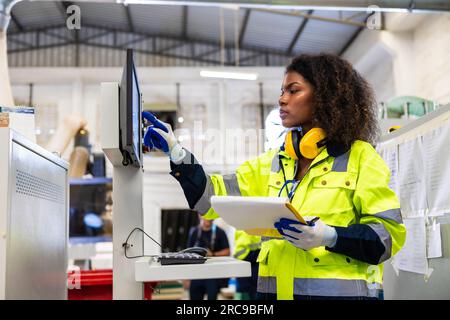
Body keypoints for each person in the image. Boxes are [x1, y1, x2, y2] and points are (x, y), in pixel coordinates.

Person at [142, 53, 406, 300]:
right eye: (282, 91)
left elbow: (387, 238)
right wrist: (177, 153)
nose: (282, 99)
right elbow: (209, 198)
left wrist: (330, 236)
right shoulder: (272, 163)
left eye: (293, 90)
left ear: (325, 97)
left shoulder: (361, 158)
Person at [186, 215, 230, 300]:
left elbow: (227, 251)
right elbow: (188, 252)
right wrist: (186, 278)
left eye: (210, 216)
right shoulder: (194, 232)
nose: (208, 219)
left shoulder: (219, 232)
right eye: (205, 216)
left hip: (212, 275)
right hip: (196, 275)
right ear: (200, 216)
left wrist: (213, 254)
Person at [233, 230, 261, 300]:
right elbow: (240, 254)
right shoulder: (244, 231)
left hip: (253, 274)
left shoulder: (258, 230)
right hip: (246, 276)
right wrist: (259, 253)